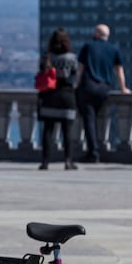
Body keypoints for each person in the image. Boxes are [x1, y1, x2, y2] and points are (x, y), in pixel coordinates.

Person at [76, 24, 130, 163]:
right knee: (100, 118)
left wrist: (76, 85)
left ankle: (93, 152)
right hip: (104, 88)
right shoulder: (114, 49)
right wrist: (123, 88)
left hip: (88, 86)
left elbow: (80, 69)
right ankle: (98, 147)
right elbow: (119, 71)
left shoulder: (88, 47)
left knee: (89, 121)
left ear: (97, 34)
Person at [37, 28, 80, 170]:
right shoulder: (72, 58)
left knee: (48, 130)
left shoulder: (47, 57)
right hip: (67, 95)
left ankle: (45, 161)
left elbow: (41, 72)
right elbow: (74, 77)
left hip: (49, 95)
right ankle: (68, 161)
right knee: (67, 131)